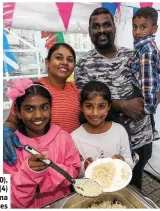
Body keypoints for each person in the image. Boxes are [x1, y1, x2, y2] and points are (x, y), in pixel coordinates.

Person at [74, 7, 153, 190]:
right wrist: (124, 105)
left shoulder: (134, 55)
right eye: (96, 26)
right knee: (106, 185)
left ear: (114, 28)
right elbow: (83, 99)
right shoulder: (84, 64)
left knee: (134, 185)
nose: (102, 30)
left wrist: (151, 99)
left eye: (106, 25)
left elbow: (154, 83)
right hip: (108, 145)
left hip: (141, 137)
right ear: (90, 31)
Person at [3, 78, 81, 208]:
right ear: (18, 112)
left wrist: (42, 180)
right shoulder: (9, 147)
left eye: (44, 107)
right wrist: (29, 173)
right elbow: (6, 198)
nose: (38, 115)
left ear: (51, 108)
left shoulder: (63, 138)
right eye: (29, 109)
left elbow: (74, 171)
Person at [3, 43, 80, 165]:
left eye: (69, 60)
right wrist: (5, 131)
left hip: (70, 156)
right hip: (44, 155)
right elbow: (12, 121)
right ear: (47, 62)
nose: (65, 62)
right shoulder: (33, 90)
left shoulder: (74, 89)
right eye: (59, 58)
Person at [71, 81, 133, 176]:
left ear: (109, 107)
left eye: (101, 106)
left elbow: (129, 163)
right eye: (89, 106)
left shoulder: (119, 131)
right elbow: (75, 170)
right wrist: (84, 166)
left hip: (116, 183)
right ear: (81, 107)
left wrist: (123, 161)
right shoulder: (75, 137)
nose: (95, 113)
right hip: (90, 187)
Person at [128, 7, 160, 141]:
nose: (137, 32)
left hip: (142, 99)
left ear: (154, 29)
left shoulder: (147, 50)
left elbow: (149, 82)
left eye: (143, 27)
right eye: (135, 27)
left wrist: (146, 109)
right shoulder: (141, 47)